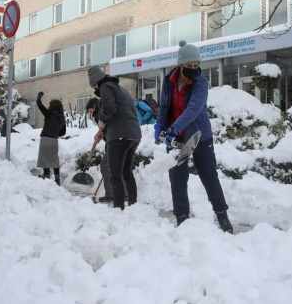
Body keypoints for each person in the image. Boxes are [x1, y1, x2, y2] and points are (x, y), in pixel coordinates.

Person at [154, 40, 233, 234]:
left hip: (199, 135)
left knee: (209, 175)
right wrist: (160, 127)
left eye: (196, 65)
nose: (193, 68)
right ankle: (182, 218)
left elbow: (193, 110)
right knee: (177, 177)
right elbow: (165, 106)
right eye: (189, 65)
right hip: (177, 138)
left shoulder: (201, 82)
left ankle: (222, 215)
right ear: (181, 65)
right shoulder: (169, 81)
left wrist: (173, 128)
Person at [87, 66, 141, 210]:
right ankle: (133, 206)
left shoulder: (106, 87)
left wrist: (102, 122)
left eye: (93, 85)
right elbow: (123, 113)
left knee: (115, 174)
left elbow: (110, 109)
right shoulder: (119, 89)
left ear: (95, 82)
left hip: (119, 135)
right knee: (126, 172)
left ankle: (118, 208)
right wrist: (103, 131)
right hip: (133, 134)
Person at [86, 97, 115, 203]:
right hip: (112, 141)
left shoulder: (100, 113)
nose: (89, 112)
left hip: (113, 141)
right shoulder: (101, 114)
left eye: (89, 109)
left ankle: (111, 195)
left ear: (94, 106)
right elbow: (105, 127)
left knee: (105, 166)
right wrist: (100, 134)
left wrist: (101, 134)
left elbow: (106, 127)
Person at [36, 91, 66, 185]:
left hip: (45, 139)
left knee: (45, 158)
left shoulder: (49, 113)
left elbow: (39, 105)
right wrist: (56, 132)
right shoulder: (62, 118)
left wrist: (39, 97)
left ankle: (46, 175)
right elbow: (63, 132)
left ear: (52, 106)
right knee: (54, 159)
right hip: (54, 140)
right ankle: (57, 180)